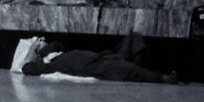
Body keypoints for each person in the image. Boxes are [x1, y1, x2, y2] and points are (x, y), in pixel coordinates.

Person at [15, 32, 178, 83]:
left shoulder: (60, 51)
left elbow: (57, 44)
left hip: (103, 57)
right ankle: (163, 78)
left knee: (134, 38)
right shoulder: (49, 65)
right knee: (128, 69)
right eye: (40, 42)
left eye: (43, 40)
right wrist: (33, 50)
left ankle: (141, 68)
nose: (43, 40)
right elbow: (26, 68)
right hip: (94, 67)